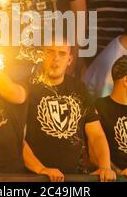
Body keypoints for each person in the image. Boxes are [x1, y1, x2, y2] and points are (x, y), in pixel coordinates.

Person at [23, 40, 116, 182]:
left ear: (70, 60)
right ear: (41, 55)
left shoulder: (78, 88)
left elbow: (96, 134)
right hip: (34, 177)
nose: (56, 58)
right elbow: (18, 139)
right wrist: (41, 169)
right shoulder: (26, 87)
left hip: (72, 178)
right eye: (50, 52)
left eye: (62, 53)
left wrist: (105, 167)